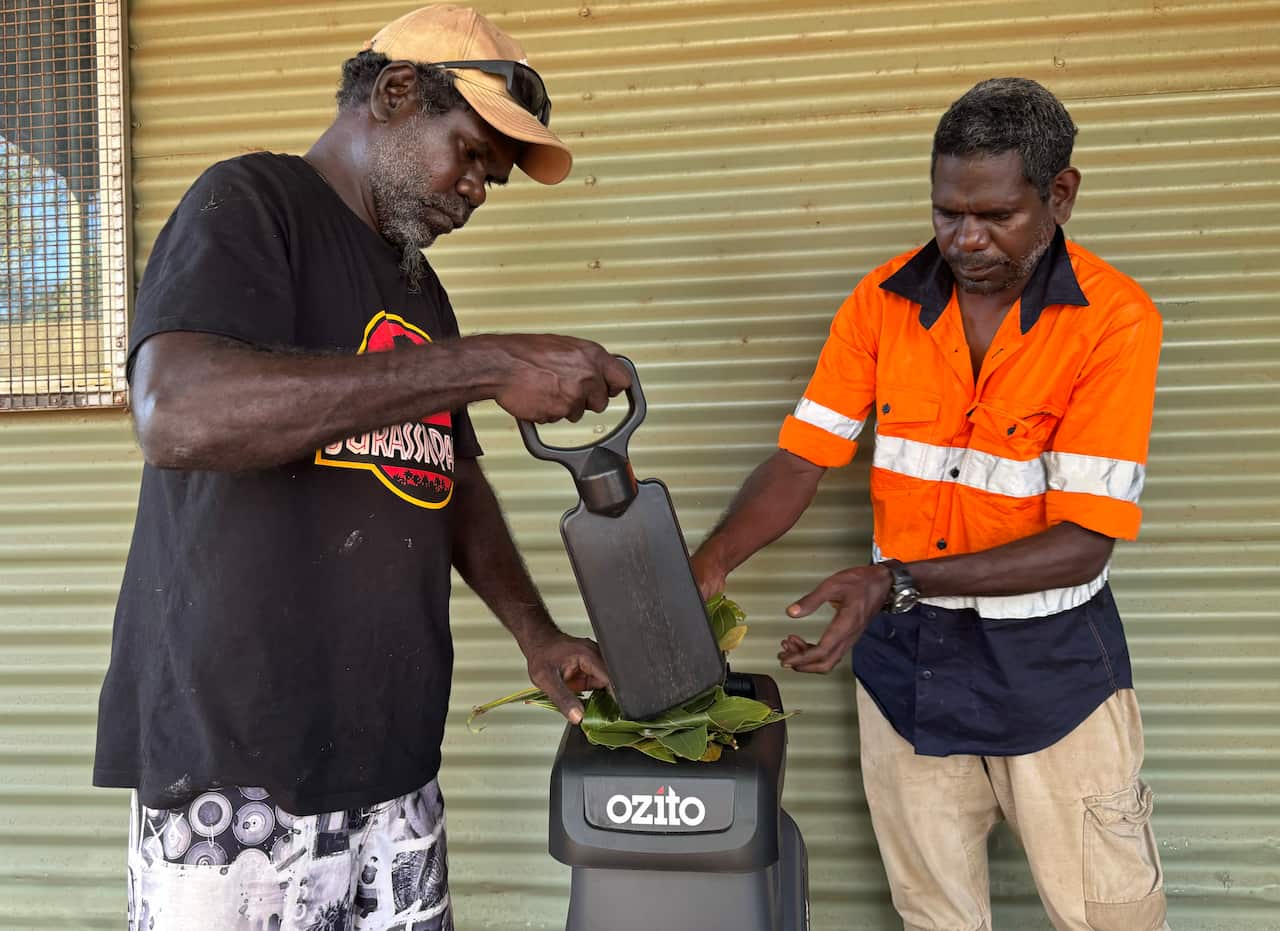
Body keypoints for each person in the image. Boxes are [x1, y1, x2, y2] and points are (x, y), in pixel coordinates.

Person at [93, 6, 630, 929]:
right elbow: (177, 412)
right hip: (239, 774)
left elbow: (449, 476)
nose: (476, 190)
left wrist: (537, 634)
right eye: (468, 154)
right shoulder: (250, 205)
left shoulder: (420, 287)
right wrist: (491, 363)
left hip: (392, 764)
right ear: (393, 95)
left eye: (491, 178)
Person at [691, 77, 1169, 931]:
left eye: (994, 215)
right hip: (907, 670)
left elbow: (1085, 544)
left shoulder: (1113, 322)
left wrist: (892, 579)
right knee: (936, 918)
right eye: (947, 211)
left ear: (1060, 195)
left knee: (1110, 917)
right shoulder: (882, 303)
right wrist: (710, 563)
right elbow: (803, 460)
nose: (964, 237)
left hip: (1053, 671)